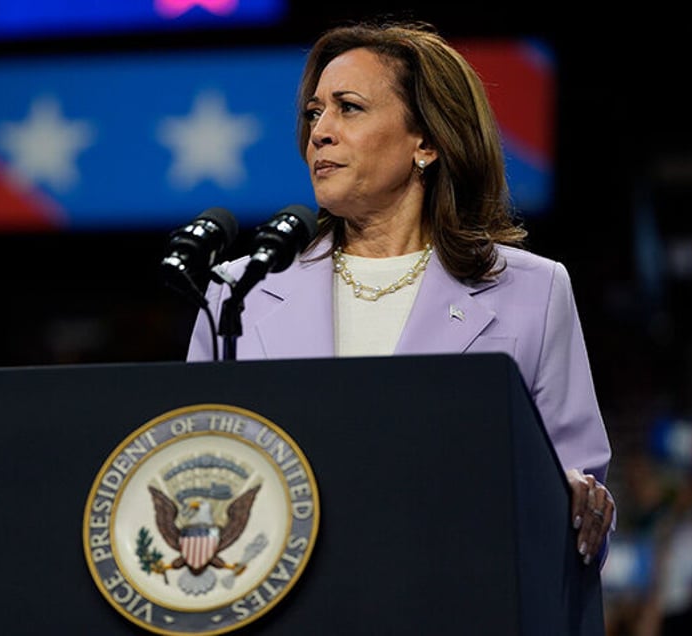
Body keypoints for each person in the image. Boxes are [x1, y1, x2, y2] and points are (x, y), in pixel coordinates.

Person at [187, 19, 615, 566]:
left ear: (428, 141)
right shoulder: (239, 291)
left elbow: (579, 489)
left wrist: (577, 501)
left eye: (349, 107)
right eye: (315, 113)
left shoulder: (531, 291)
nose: (320, 131)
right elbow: (195, 469)